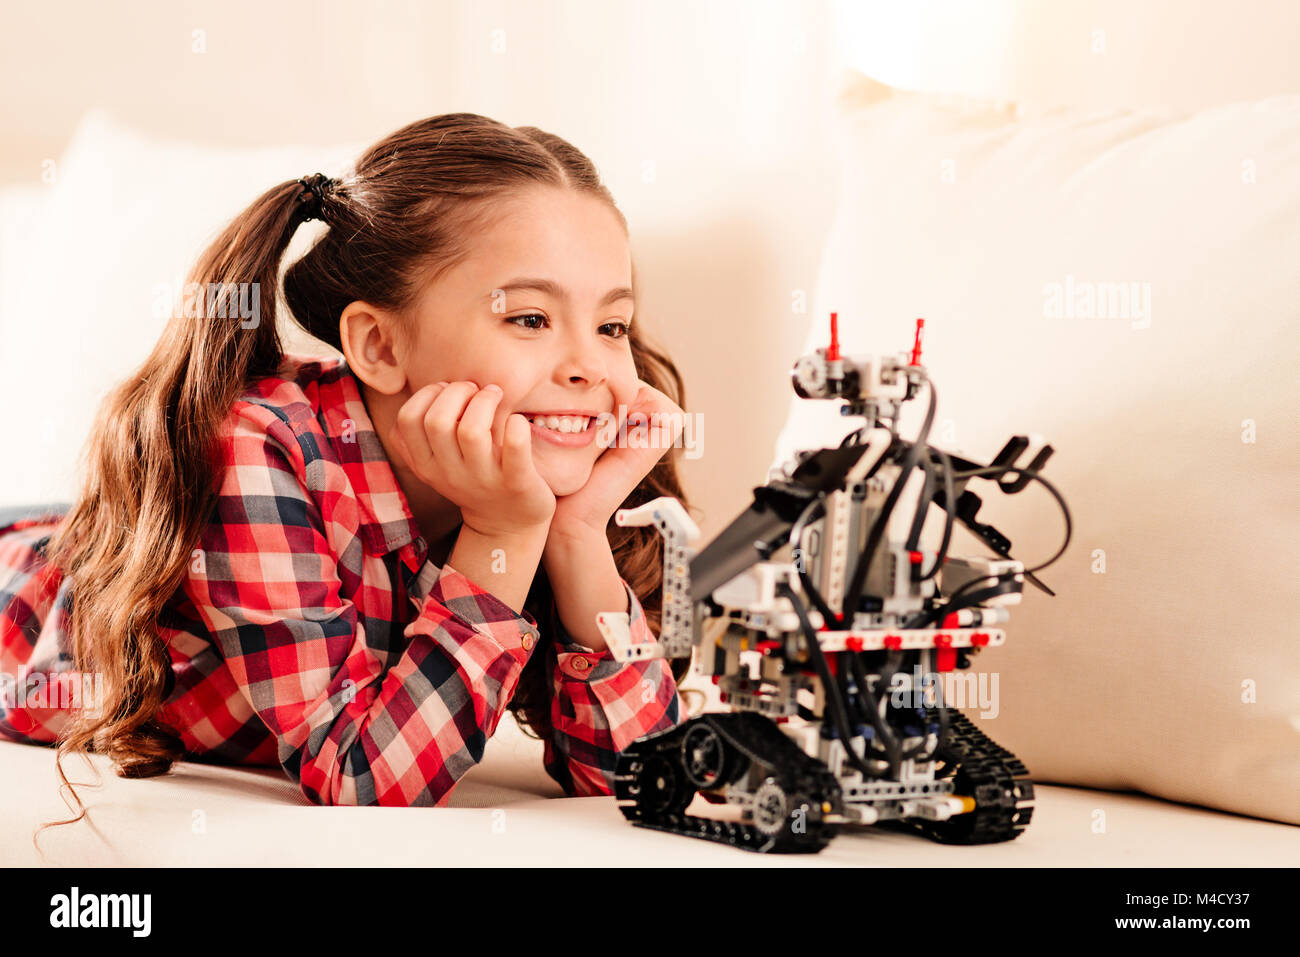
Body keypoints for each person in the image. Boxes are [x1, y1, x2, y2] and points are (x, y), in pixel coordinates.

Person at [0, 113, 698, 826]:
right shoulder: (255, 447)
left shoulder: (539, 487)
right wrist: (505, 532)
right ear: (380, 346)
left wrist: (577, 530)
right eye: (529, 319)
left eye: (612, 326)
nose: (588, 366)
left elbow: (641, 771)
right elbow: (362, 779)